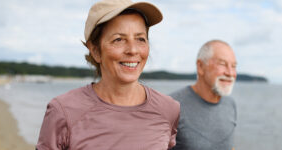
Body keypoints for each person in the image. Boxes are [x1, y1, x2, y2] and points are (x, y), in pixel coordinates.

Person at [36, 0, 180, 149]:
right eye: (119, 39)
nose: (133, 50)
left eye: (140, 39)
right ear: (96, 51)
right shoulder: (63, 111)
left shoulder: (169, 109)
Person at [170, 40, 238, 150]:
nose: (230, 73)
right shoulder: (171, 106)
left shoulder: (230, 104)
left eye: (234, 66)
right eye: (222, 64)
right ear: (200, 66)